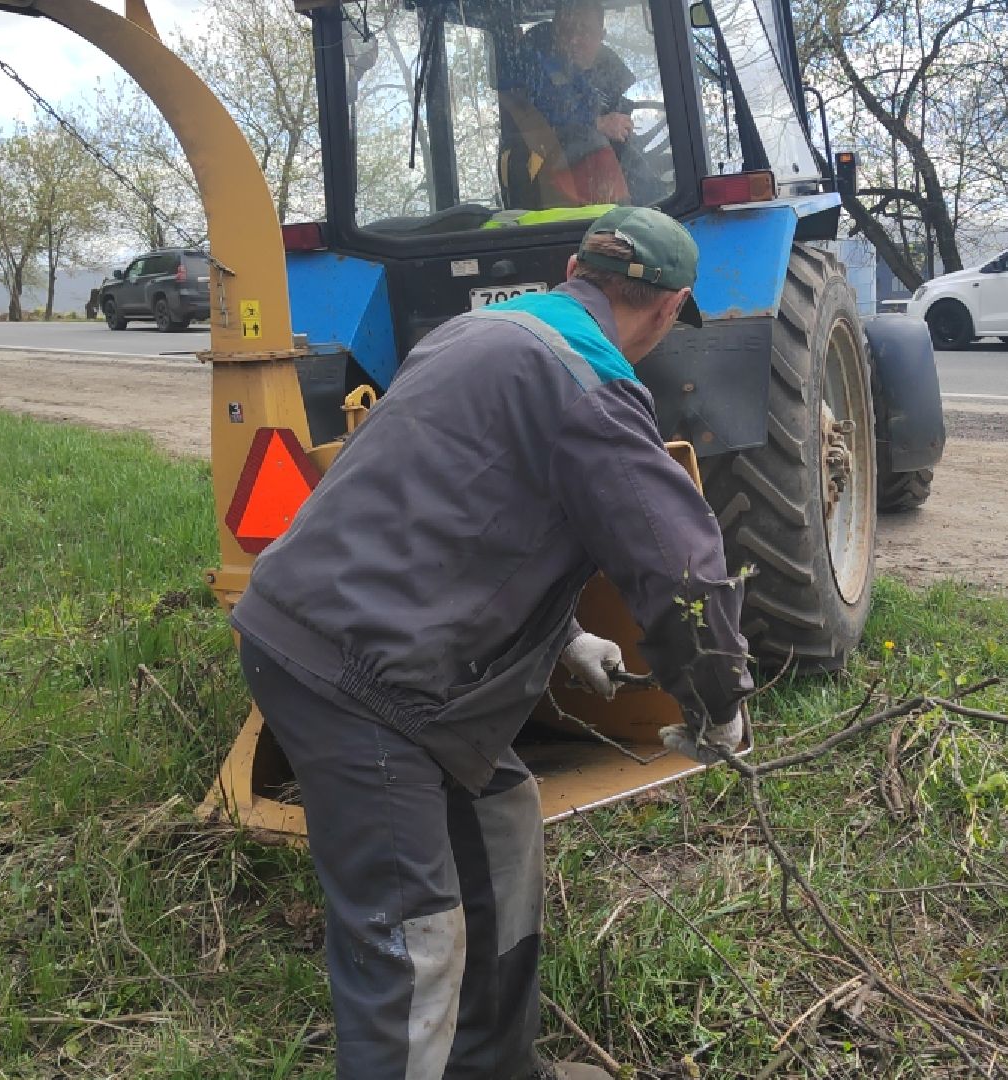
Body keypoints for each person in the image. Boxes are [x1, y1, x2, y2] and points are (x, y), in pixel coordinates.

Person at [231, 206, 752, 1080]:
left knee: (503, 818)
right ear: (669, 309)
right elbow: (679, 567)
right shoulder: (594, 382)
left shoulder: (474, 335)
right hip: (359, 677)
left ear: (573, 271)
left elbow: (459, 518)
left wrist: (568, 637)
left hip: (335, 634)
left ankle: (495, 1069)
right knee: (414, 939)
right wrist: (718, 701)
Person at [500, 0, 659, 207]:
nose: (574, 39)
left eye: (584, 31)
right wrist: (597, 123)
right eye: (566, 31)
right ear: (555, 33)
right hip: (560, 192)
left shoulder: (601, 78)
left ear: (601, 35)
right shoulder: (534, 69)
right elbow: (541, 116)